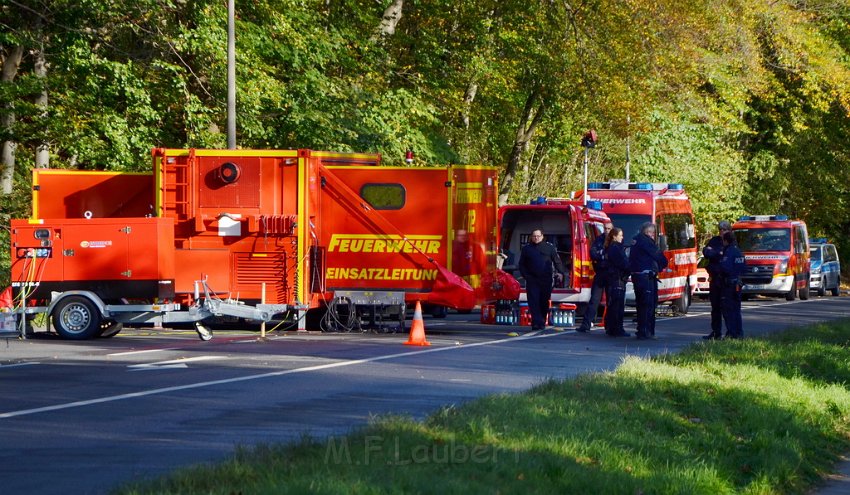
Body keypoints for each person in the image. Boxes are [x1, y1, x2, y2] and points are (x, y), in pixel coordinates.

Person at [518, 229, 566, 331]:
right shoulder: (527, 249)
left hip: (545, 279)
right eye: (534, 236)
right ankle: (536, 323)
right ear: (531, 237)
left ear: (542, 236)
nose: (536, 238)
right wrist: (526, 276)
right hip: (532, 279)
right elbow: (522, 264)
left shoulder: (549, 248)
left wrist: (561, 272)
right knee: (533, 301)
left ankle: (542, 321)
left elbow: (556, 261)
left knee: (543, 301)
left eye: (538, 236)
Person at [629, 222, 668, 340]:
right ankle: (646, 331)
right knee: (648, 305)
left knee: (641, 305)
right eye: (652, 233)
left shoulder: (635, 241)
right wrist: (662, 265)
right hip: (646, 277)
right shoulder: (646, 242)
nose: (653, 235)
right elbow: (659, 256)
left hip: (637, 276)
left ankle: (641, 329)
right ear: (648, 232)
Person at [577, 221, 614, 332]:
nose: (606, 231)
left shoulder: (615, 240)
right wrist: (603, 255)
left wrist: (602, 255)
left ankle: (610, 326)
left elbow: (614, 256)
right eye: (605, 228)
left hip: (611, 273)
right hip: (600, 272)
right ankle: (586, 325)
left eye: (608, 229)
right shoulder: (599, 239)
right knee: (594, 300)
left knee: (611, 301)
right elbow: (593, 253)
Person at [702, 220, 732, 340]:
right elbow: (706, 252)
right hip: (714, 279)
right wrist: (717, 253)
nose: (721, 231)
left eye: (724, 229)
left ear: (728, 230)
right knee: (715, 308)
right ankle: (716, 332)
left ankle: (731, 332)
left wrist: (716, 253)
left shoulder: (731, 241)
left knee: (727, 308)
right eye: (720, 229)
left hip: (725, 280)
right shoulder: (715, 240)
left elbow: (728, 256)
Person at [719, 230, 747, 338]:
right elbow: (745, 267)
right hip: (738, 284)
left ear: (726, 241)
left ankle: (732, 333)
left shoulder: (729, 252)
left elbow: (725, 267)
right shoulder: (739, 252)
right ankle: (739, 333)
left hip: (729, 285)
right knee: (736, 310)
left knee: (728, 310)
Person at [603, 227, 630, 337]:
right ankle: (616, 329)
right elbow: (621, 263)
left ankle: (612, 328)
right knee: (617, 306)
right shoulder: (615, 248)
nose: (622, 237)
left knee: (615, 305)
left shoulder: (615, 247)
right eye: (620, 235)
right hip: (617, 279)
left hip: (616, 278)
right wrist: (629, 268)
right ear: (614, 236)